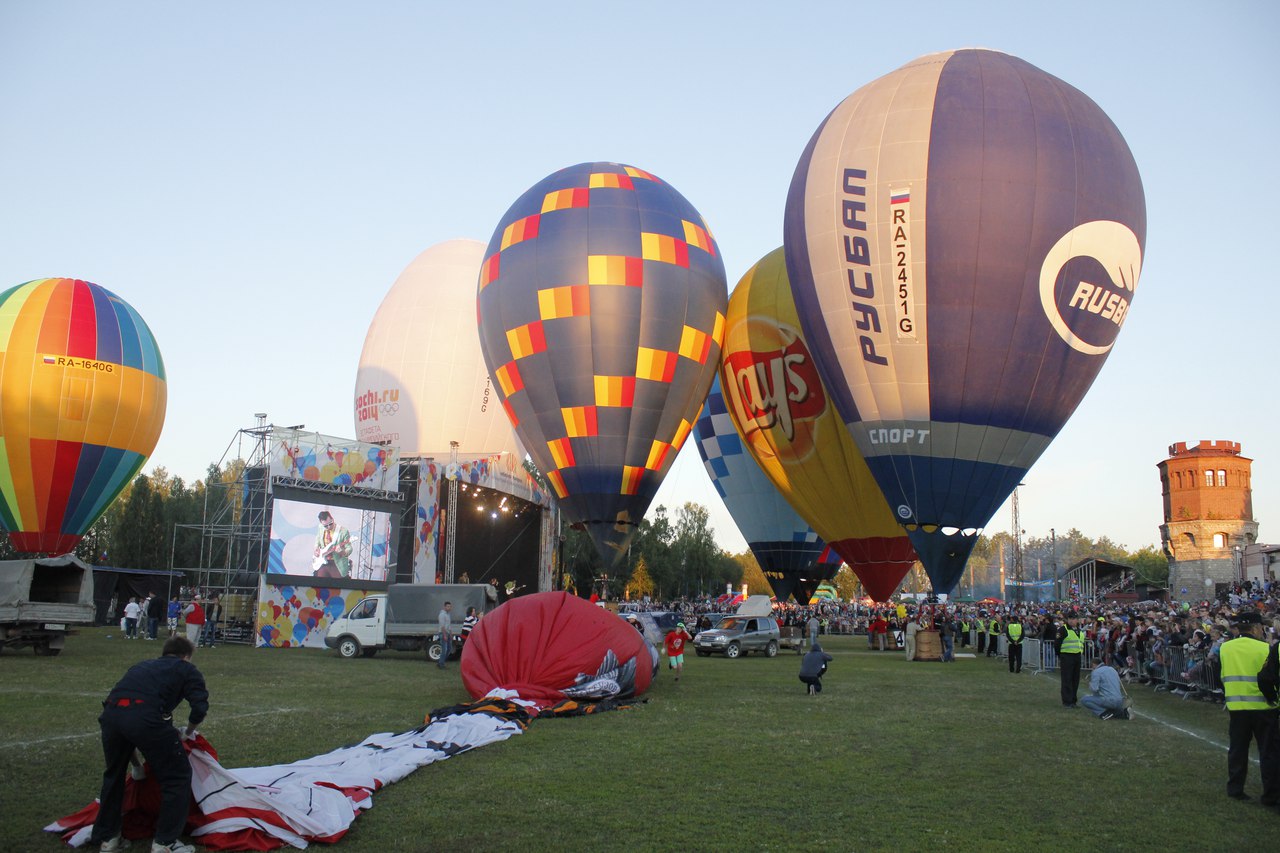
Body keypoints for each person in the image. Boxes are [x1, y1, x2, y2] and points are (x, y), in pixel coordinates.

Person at [86, 635, 208, 853]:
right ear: (186, 656)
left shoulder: (140, 667)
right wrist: (188, 733)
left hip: (112, 714)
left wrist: (136, 765)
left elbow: (126, 718)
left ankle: (108, 838)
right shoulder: (186, 669)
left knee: (114, 776)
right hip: (147, 718)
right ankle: (165, 842)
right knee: (177, 776)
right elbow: (199, 707)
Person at [1219, 611, 1279, 804]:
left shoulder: (1225, 648)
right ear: (1255, 628)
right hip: (1264, 706)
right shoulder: (1264, 648)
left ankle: (1235, 788)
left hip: (1237, 705)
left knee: (1237, 749)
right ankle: (1270, 794)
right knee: (1268, 752)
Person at [1056, 613, 1085, 707]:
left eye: (1073, 618)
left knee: (1075, 680)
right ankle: (1067, 701)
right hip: (1067, 656)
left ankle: (1073, 700)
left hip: (1077, 657)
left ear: (1077, 620)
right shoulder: (1063, 630)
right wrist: (1061, 656)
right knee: (1067, 679)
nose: (1071, 620)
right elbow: (1057, 644)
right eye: (1070, 618)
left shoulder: (1079, 631)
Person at [312, 510, 352, 578]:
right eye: (325, 526)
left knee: (337, 585)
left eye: (330, 523)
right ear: (321, 523)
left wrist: (342, 552)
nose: (328, 527)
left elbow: (349, 548)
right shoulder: (320, 527)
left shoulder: (343, 531)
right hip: (323, 562)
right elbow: (318, 539)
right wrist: (316, 549)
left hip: (337, 563)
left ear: (332, 519)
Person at [436, 601, 453, 669]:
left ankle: (440, 661)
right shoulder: (442, 614)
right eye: (448, 606)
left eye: (450, 606)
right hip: (443, 633)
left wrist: (451, 633)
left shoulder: (448, 615)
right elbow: (442, 626)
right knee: (444, 649)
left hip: (448, 633)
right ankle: (441, 664)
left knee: (449, 649)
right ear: (444, 607)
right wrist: (445, 635)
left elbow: (449, 625)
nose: (449, 608)